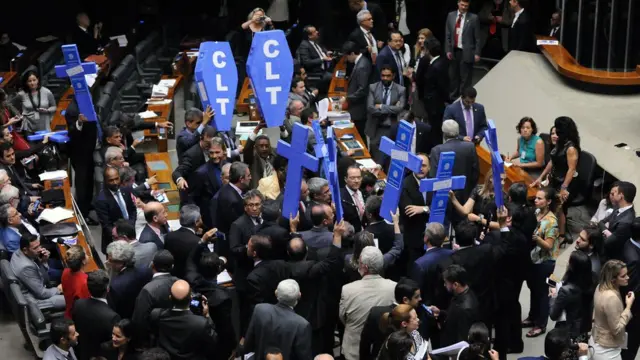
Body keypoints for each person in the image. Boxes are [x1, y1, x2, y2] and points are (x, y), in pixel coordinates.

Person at [340, 246, 397, 360]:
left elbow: (343, 317)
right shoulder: (394, 286)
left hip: (354, 349)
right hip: (382, 348)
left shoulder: (347, 290)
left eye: (360, 262)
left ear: (365, 267)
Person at [532, 116, 580, 248]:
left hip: (565, 183)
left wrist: (564, 187)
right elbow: (552, 161)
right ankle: (547, 229)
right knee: (551, 206)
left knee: (560, 209)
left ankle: (562, 236)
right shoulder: (560, 143)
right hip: (554, 180)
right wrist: (541, 177)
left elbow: (571, 169)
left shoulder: (571, 148)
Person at [241, 279, 313, 360]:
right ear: (299, 295)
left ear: (276, 293)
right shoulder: (302, 325)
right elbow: (304, 357)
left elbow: (248, 344)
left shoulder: (260, 309)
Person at [523, 187, 560, 338]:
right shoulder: (536, 213)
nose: (536, 201)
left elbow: (549, 246)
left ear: (549, 201)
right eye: (536, 198)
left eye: (540, 198)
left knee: (542, 293)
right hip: (533, 259)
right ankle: (532, 316)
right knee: (533, 289)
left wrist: (537, 239)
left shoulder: (552, 222)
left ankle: (540, 324)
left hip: (545, 262)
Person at [149, 280, 218, 360]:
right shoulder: (201, 323)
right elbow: (214, 341)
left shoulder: (156, 315)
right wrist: (207, 315)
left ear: (170, 298)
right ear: (191, 298)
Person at [72, 270, 121, 360]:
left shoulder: (78, 304)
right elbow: (113, 342)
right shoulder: (112, 317)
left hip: (82, 352)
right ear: (107, 289)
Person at [428, 264, 480, 347]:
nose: (444, 285)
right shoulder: (461, 294)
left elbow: (462, 342)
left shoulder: (465, 309)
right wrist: (440, 312)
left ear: (455, 285)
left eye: (446, 282)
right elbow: (454, 315)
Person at [592, 260, 635, 360]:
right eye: (623, 276)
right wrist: (628, 306)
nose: (628, 278)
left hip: (597, 339)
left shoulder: (600, 287)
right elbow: (616, 329)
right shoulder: (611, 298)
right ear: (612, 279)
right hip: (607, 349)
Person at [10, 234, 65, 310]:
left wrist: (43, 261)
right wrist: (59, 289)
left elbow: (39, 274)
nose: (40, 249)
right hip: (36, 301)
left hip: (37, 288)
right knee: (70, 298)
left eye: (39, 245)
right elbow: (41, 294)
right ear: (25, 250)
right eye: (35, 248)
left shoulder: (18, 252)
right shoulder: (26, 267)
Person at [430, 120, 479, 204]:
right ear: (458, 132)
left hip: (444, 197)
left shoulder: (436, 150)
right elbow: (475, 173)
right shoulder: (470, 147)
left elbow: (433, 176)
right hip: (466, 196)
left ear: (444, 133)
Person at [365, 64, 406, 164]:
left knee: (387, 151)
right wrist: (391, 108)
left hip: (390, 124)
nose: (385, 78)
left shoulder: (401, 89)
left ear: (393, 76)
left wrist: (381, 106)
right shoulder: (373, 87)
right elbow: (370, 107)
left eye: (388, 76)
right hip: (375, 124)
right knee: (374, 147)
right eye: (383, 75)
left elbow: (399, 108)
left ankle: (382, 167)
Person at [549, 250, 593, 339]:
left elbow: (553, 315)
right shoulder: (592, 281)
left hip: (567, 331)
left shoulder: (565, 291)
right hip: (584, 328)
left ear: (572, 267)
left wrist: (553, 296)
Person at [445, 0, 482, 99]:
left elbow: (478, 37)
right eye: (462, 5)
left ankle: (463, 99)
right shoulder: (451, 16)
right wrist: (448, 49)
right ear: (458, 4)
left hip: (467, 51)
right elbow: (448, 35)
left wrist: (477, 53)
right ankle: (452, 98)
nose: (464, 7)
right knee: (453, 77)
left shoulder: (474, 18)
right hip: (454, 51)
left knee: (465, 79)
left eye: (466, 6)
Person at [341, 40, 373, 138]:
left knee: (359, 134)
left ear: (352, 53)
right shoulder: (361, 61)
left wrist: (347, 98)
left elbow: (362, 89)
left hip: (359, 108)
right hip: (358, 106)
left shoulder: (361, 66)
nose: (346, 59)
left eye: (346, 56)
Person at [598, 181, 636, 261]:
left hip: (611, 258)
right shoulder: (618, 208)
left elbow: (608, 242)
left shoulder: (626, 222)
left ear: (621, 195)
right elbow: (601, 222)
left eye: (615, 193)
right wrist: (607, 231)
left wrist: (604, 229)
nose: (612, 195)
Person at [61, 245, 90, 319]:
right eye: (86, 254)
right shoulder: (85, 282)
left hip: (68, 312)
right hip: (77, 319)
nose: (88, 255)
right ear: (83, 261)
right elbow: (86, 308)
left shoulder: (65, 272)